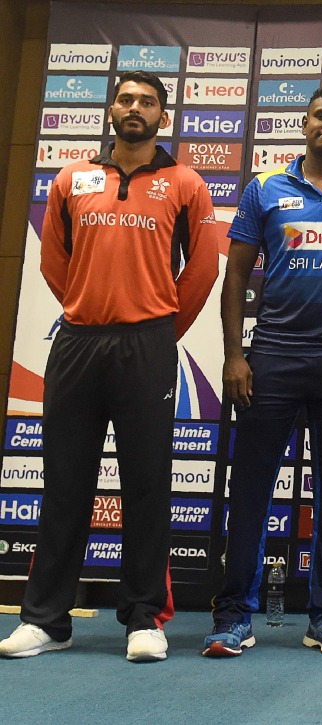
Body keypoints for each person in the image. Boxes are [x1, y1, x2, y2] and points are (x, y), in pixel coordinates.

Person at [0, 71, 219, 661]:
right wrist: (87, 307)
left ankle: (144, 619)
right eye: (125, 99)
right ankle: (46, 620)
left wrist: (158, 329)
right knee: (64, 482)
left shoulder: (185, 183)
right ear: (110, 111)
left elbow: (202, 269)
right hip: (77, 343)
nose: (134, 108)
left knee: (146, 483)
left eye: (147, 102)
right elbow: (53, 261)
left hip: (147, 346)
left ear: (163, 118)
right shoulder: (72, 178)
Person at [204, 86, 322, 657]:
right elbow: (236, 277)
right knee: (251, 490)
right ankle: (234, 615)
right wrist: (235, 355)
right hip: (273, 357)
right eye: (320, 116)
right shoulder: (264, 187)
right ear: (305, 124)